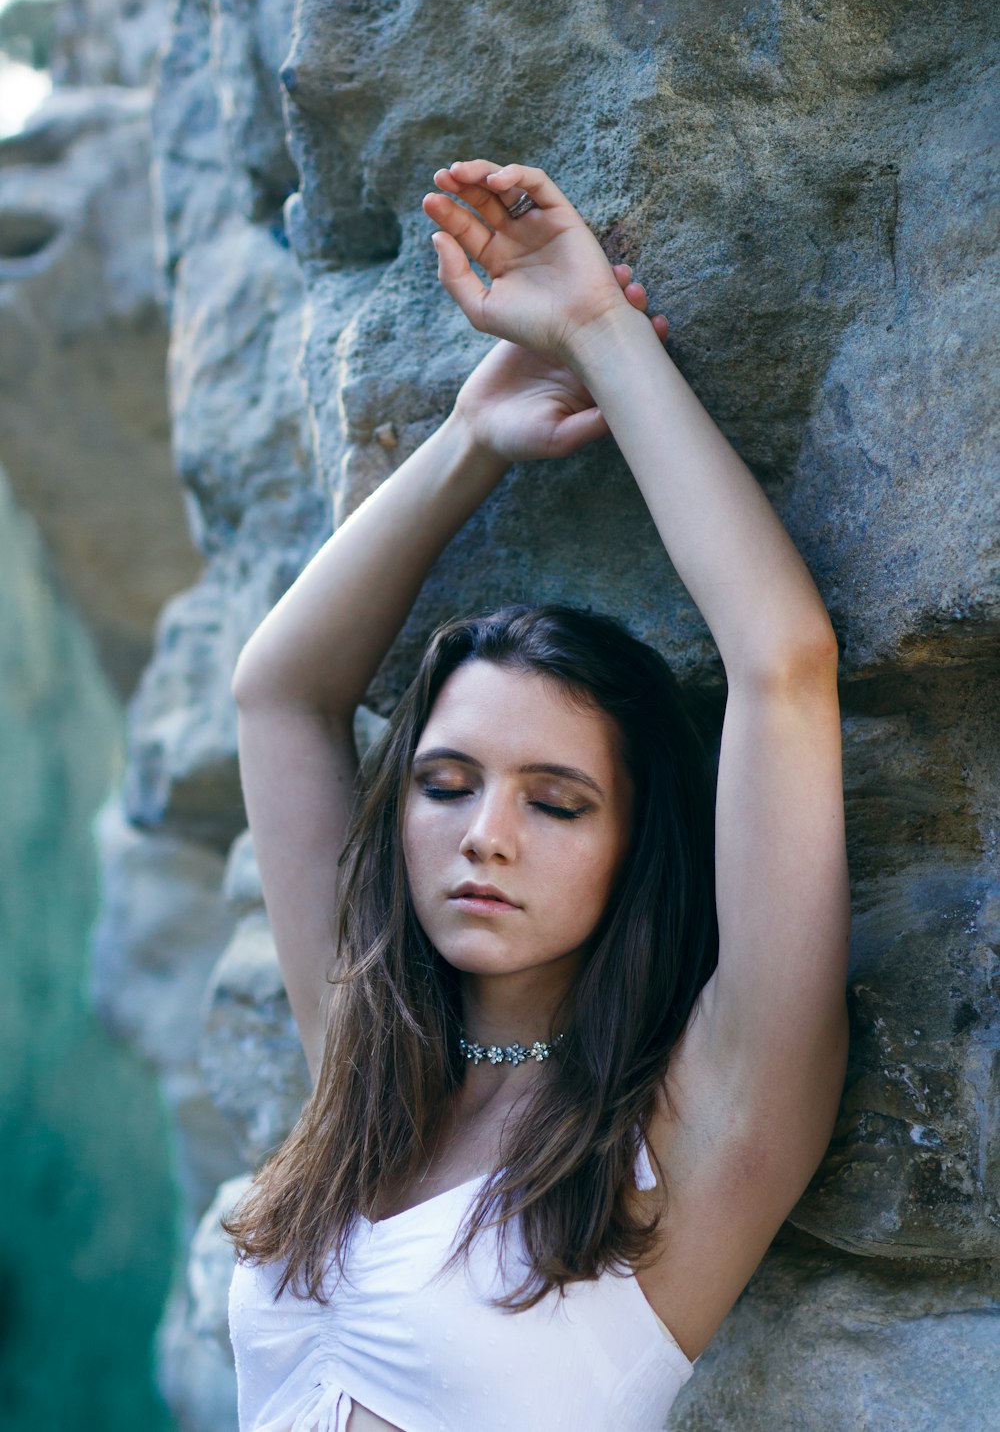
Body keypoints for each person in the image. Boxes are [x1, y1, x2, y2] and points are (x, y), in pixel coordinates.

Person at [224, 159, 850, 1432]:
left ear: (633, 844)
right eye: (445, 785)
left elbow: (782, 667)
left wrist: (599, 332)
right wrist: (469, 437)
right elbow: (280, 693)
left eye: (556, 802)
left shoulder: (700, 1126)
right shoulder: (370, 1066)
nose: (483, 838)